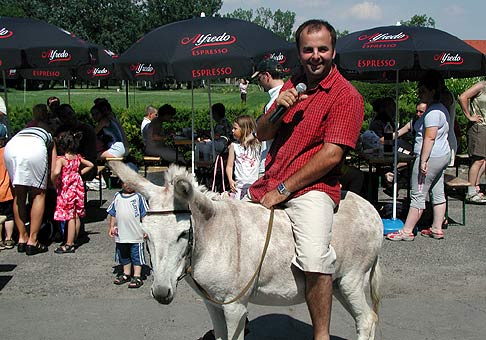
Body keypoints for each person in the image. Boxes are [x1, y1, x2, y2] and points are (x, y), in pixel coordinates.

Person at [248, 19, 364, 340]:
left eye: (322, 49)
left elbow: (332, 156)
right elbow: (260, 133)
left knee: (314, 258)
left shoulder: (346, 96)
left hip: (312, 188)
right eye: (308, 49)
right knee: (234, 241)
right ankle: (235, 322)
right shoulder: (293, 84)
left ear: (333, 51)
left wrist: (283, 189)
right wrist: (276, 111)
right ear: (299, 53)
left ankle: (321, 335)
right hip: (269, 180)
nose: (315, 56)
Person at [387, 70, 451, 241]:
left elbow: (429, 137)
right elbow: (407, 129)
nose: (419, 93)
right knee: (437, 192)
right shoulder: (440, 109)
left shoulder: (432, 113)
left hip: (430, 158)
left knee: (418, 193)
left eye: (422, 90)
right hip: (442, 156)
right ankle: (437, 228)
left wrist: (423, 161)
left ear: (432, 92)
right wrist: (385, 138)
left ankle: (407, 231)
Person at [4, 126, 57, 255]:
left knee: (19, 194)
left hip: (11, 148)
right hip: (35, 149)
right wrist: (52, 180)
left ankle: (22, 238)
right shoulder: (49, 137)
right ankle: (33, 241)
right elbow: (53, 162)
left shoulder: (21, 132)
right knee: (39, 194)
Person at [51, 131, 94, 253]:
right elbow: (90, 165)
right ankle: (74, 239)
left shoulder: (61, 160)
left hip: (67, 189)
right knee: (76, 214)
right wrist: (78, 174)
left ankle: (69, 244)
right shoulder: (77, 158)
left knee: (69, 215)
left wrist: (53, 180)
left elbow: (55, 172)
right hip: (77, 188)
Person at [107, 178, 149, 289]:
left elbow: (144, 214)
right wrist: (111, 227)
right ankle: (126, 273)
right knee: (123, 254)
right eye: (126, 182)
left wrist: (146, 229)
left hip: (135, 233)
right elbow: (113, 213)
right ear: (121, 183)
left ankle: (137, 275)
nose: (129, 185)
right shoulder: (117, 196)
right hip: (121, 233)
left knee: (136, 255)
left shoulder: (138, 197)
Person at [251, 58, 285, 177]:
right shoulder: (287, 93)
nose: (259, 82)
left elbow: (269, 134)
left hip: (272, 162)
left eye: (259, 78)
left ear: (266, 75)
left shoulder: (275, 102)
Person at [458, 80, 486, 204]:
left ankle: (476, 186)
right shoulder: (482, 85)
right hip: (479, 127)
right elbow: (463, 97)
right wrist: (469, 116)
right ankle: (471, 192)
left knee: (483, 160)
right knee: (478, 159)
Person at [56, 104, 98, 182]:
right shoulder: (60, 131)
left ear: (74, 112)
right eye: (64, 116)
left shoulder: (87, 129)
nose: (69, 117)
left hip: (84, 164)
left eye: (70, 113)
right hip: (66, 163)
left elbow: (91, 154)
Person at [225, 115, 261, 199]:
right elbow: (229, 166)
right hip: (239, 186)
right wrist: (230, 180)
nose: (232, 130)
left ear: (244, 129)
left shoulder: (257, 145)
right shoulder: (234, 146)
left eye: (235, 128)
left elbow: (260, 132)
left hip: (254, 185)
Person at [0, 124, 15, 251]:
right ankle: (9, 238)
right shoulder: (7, 152)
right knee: (8, 216)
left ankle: (0, 240)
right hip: (8, 191)